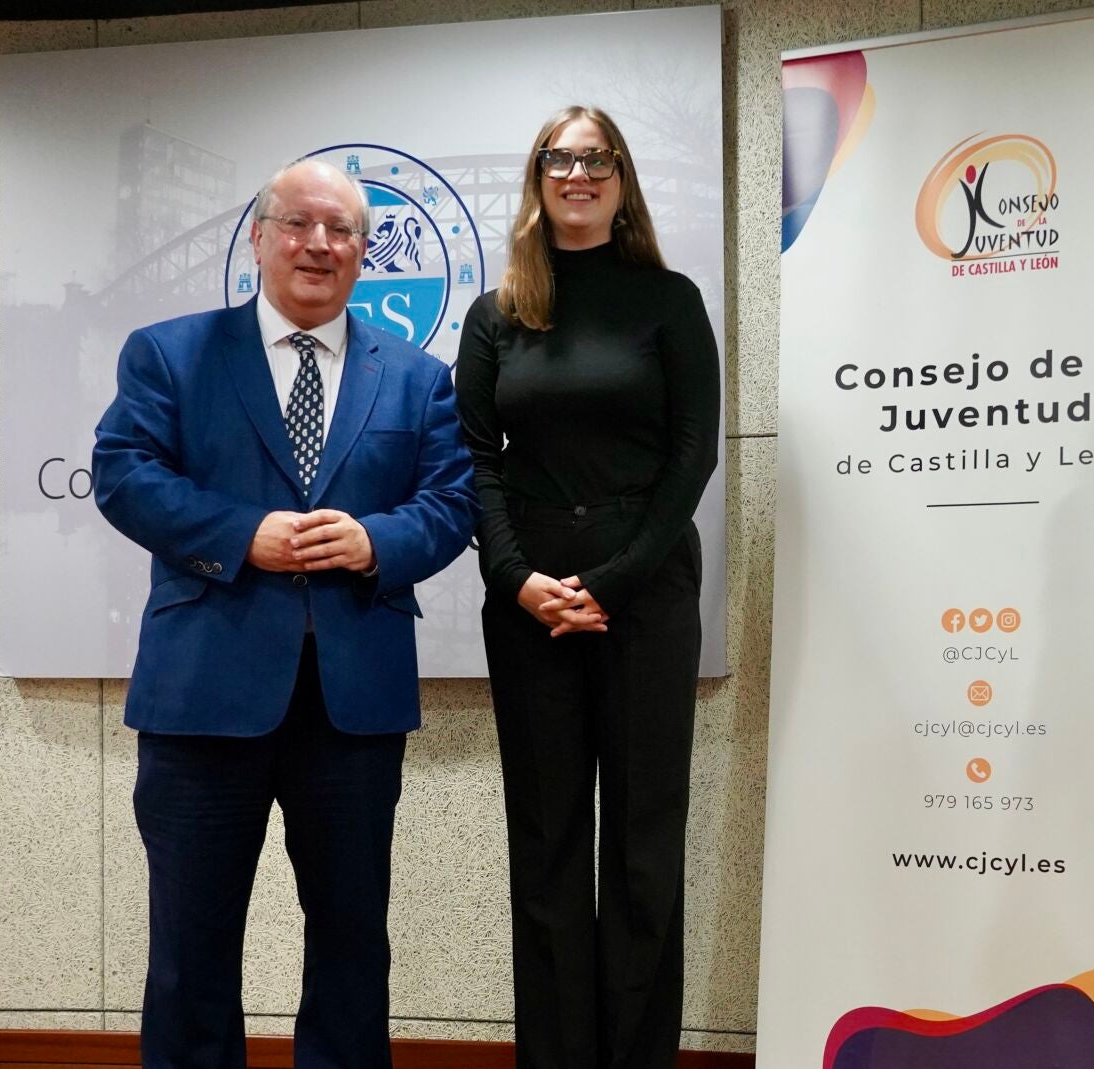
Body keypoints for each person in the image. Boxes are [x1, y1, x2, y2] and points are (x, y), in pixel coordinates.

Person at [93, 158, 477, 1069]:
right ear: (260, 238)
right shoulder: (170, 352)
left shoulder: (420, 378)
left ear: (364, 253)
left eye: (341, 230)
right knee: (189, 951)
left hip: (352, 708)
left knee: (352, 948)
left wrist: (375, 539)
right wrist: (243, 534)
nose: (319, 244)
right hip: (202, 696)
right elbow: (124, 473)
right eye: (299, 223)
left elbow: (452, 502)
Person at [453, 106, 719, 1069]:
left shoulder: (670, 300)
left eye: (596, 157)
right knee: (548, 845)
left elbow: (693, 456)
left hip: (645, 595)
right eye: (559, 158)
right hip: (528, 606)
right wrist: (516, 578)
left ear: (621, 177)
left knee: (644, 845)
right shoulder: (497, 314)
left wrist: (611, 579)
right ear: (538, 177)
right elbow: (477, 461)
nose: (578, 173)